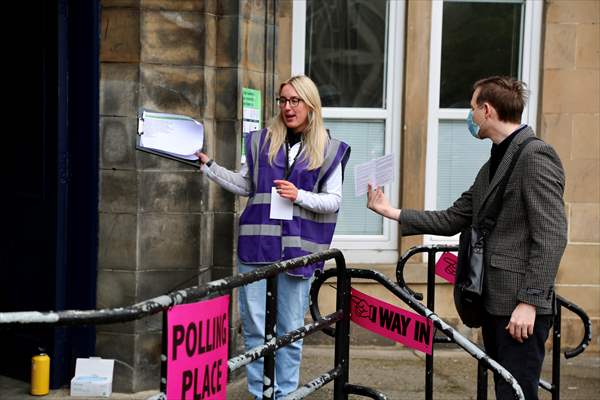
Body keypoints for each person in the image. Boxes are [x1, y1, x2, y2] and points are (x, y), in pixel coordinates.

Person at [366, 76, 567, 400]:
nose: (470, 115)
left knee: (517, 393)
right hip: (494, 302)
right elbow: (453, 218)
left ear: (487, 110)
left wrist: (529, 301)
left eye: (472, 107)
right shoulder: (494, 162)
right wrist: (393, 212)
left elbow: (552, 235)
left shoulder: (535, 156)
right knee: (504, 389)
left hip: (519, 308)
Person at [196, 75, 350, 399]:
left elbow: (333, 201)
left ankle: (284, 395)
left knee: (290, 330)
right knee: (254, 328)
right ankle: (259, 393)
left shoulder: (329, 148)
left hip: (298, 250)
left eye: (295, 101)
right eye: (283, 100)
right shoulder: (259, 141)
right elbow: (244, 185)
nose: (288, 107)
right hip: (256, 247)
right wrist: (210, 167)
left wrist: (300, 195)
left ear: (310, 104)